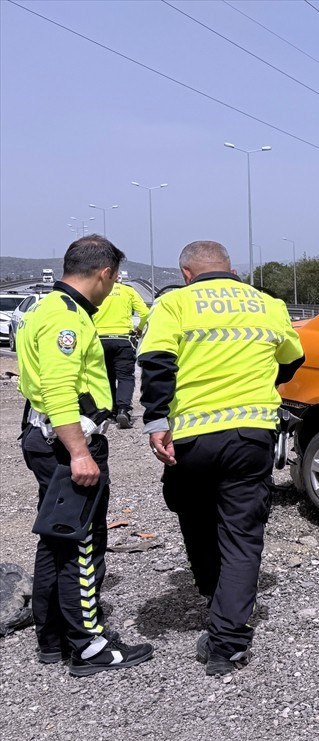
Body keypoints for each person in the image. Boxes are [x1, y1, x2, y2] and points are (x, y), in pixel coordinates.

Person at [138, 241, 304, 676]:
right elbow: (292, 361)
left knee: (194, 515)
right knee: (242, 532)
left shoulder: (174, 303)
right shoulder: (268, 303)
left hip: (191, 436)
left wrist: (156, 422)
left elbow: (156, 363)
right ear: (230, 268)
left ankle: (215, 598)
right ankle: (227, 642)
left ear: (188, 273)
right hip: (251, 434)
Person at [15, 235, 154, 677]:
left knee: (55, 539)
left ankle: (52, 638)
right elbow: (59, 387)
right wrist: (79, 452)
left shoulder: (42, 307)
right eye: (113, 281)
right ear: (105, 274)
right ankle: (89, 647)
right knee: (83, 543)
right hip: (66, 441)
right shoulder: (66, 318)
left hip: (45, 436)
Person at [93, 278, 151, 428]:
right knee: (125, 377)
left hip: (100, 340)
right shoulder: (128, 291)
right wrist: (139, 329)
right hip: (123, 339)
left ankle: (109, 411)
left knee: (106, 377)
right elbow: (145, 313)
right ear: (118, 278)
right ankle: (123, 410)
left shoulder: (97, 290)